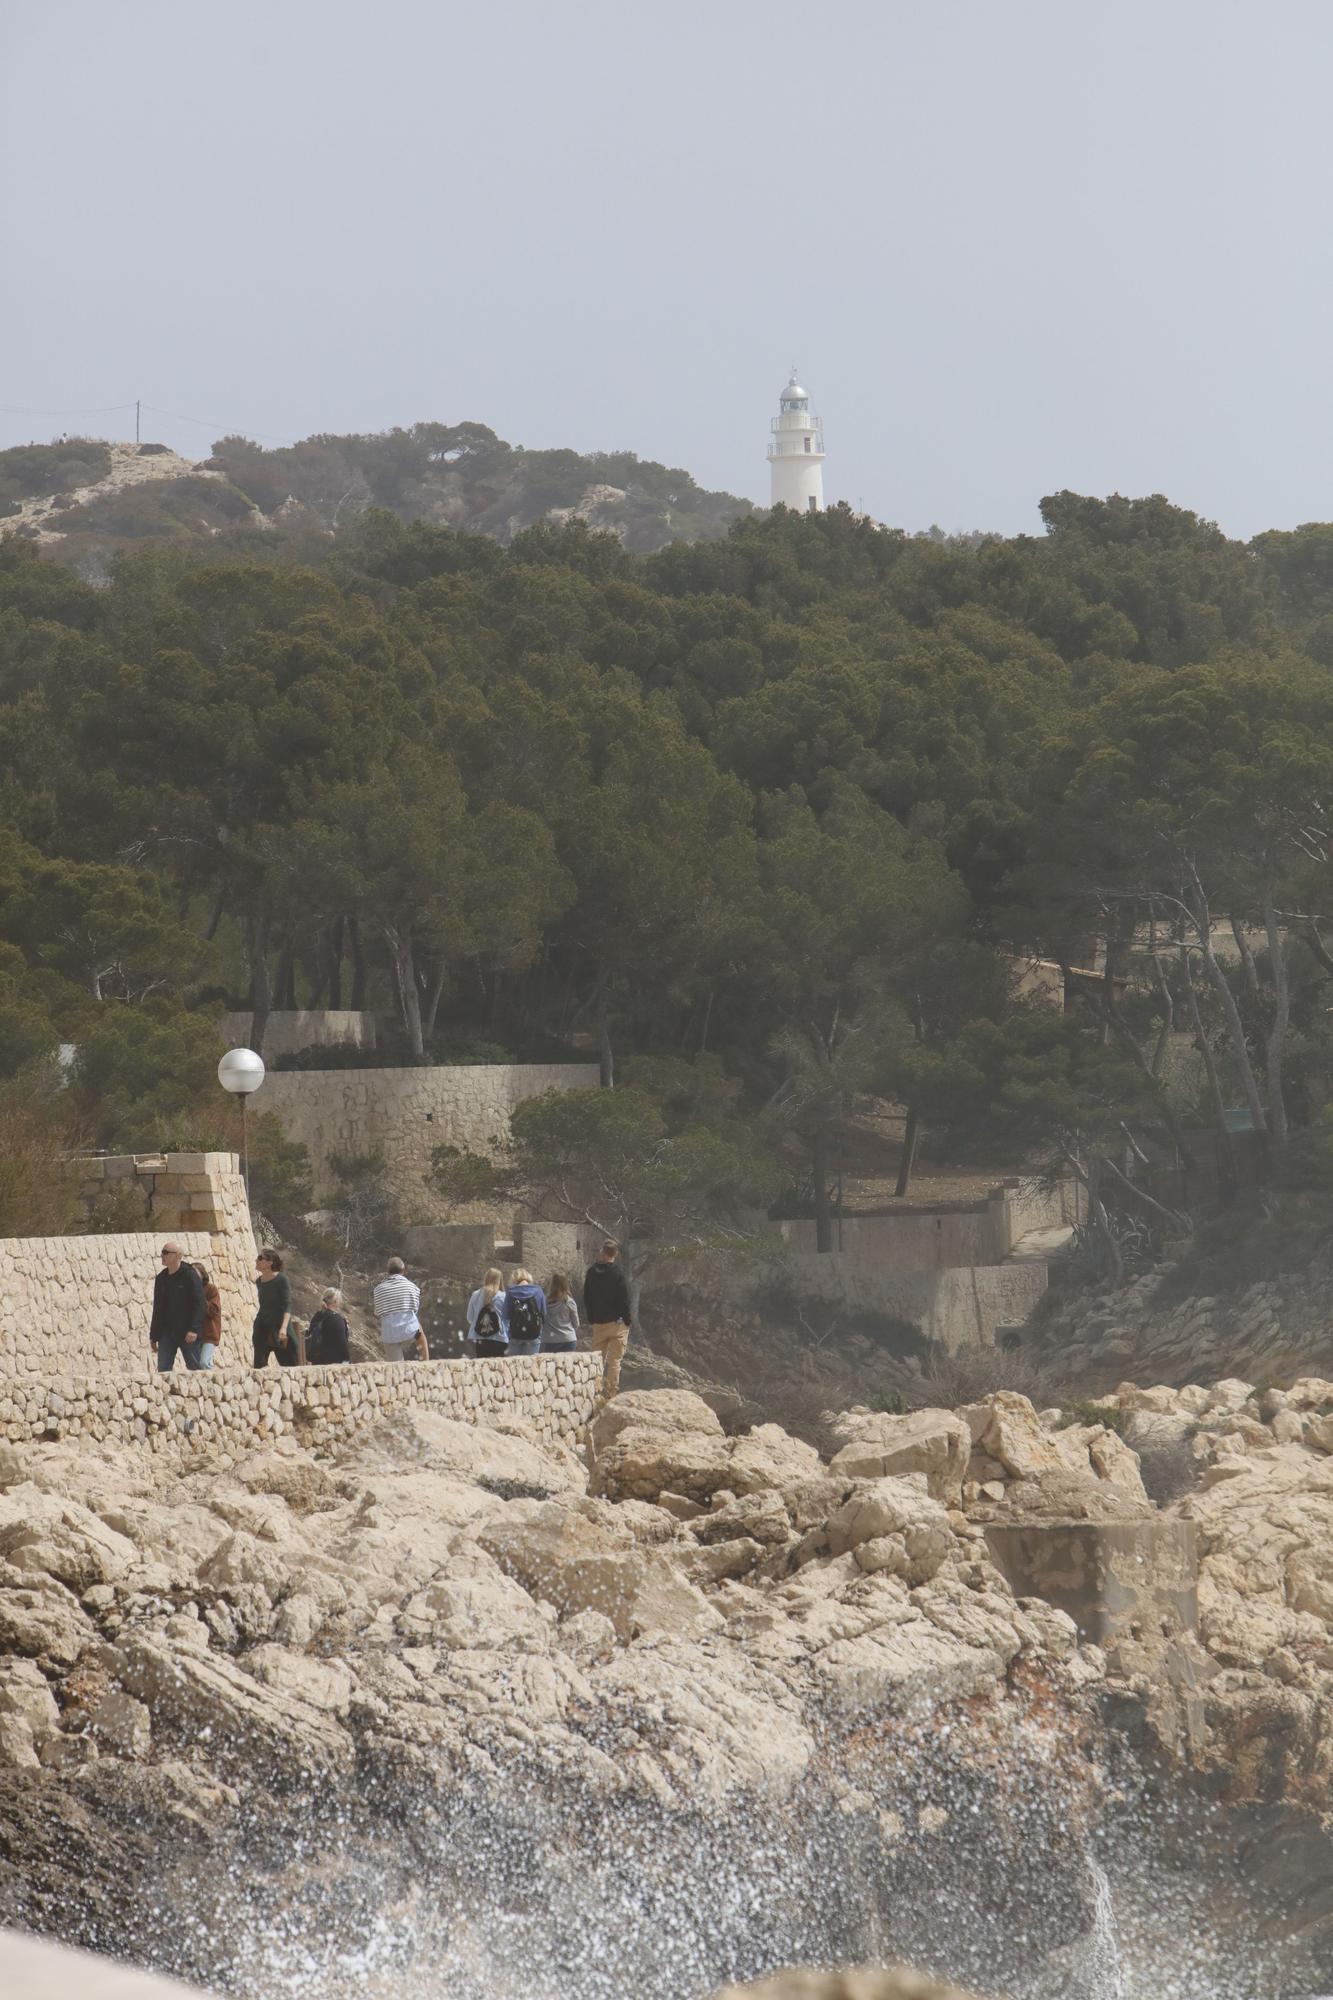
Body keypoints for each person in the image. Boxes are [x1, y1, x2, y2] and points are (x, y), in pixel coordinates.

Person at [583, 1239, 632, 1398]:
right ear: (615, 1254)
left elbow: (587, 1298)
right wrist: (627, 1319)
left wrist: (592, 1318)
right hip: (617, 1324)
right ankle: (610, 1393)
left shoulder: (591, 1272)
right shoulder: (618, 1273)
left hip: (599, 1322)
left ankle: (594, 1391)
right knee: (615, 1361)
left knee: (597, 1358)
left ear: (602, 1253)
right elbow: (623, 1299)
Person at [149, 1241, 205, 1372]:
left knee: (195, 1369)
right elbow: (158, 1308)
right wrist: (154, 1335)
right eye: (162, 1252)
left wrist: (194, 1329)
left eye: (166, 1252)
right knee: (163, 1370)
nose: (162, 1255)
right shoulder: (161, 1278)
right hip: (167, 1333)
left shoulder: (190, 1275)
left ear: (178, 1255)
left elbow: (199, 1303)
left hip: (187, 1332)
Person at [373, 1256, 429, 1361]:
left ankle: (398, 1370)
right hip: (410, 1331)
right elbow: (415, 1309)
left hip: (390, 1334)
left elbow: (377, 1312)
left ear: (387, 1271)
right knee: (420, 1334)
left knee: (395, 1361)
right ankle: (425, 1363)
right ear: (403, 1270)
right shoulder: (412, 1287)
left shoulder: (378, 1289)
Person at [252, 1249, 295, 1368]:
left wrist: (284, 1328)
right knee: (259, 1366)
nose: (257, 1260)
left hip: (278, 1326)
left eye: (260, 1258)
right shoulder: (259, 1282)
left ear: (270, 1263)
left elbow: (287, 1304)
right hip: (262, 1326)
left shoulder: (282, 1279)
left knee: (289, 1365)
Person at [501, 1266, 546, 1357]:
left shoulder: (510, 1292)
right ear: (529, 1278)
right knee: (531, 1366)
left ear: (514, 1278)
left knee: (514, 1367)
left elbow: (505, 1315)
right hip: (534, 1333)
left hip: (515, 1333)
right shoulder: (538, 1291)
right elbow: (544, 1313)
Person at [467, 1266, 507, 1357]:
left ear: (486, 1278)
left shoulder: (476, 1295)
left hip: (480, 1338)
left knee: (482, 1368)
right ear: (499, 1281)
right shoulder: (503, 1297)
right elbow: (508, 1319)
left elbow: (470, 1317)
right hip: (499, 1338)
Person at [306, 1287, 350, 1365]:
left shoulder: (317, 1315)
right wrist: (346, 1360)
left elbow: (310, 1333)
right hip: (333, 1362)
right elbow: (342, 1342)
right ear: (336, 1301)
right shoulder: (337, 1319)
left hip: (316, 1361)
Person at [540, 1271, 580, 1353]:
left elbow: (542, 1320)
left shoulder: (545, 1302)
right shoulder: (569, 1302)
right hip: (568, 1339)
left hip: (549, 1340)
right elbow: (576, 1324)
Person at [193, 1263, 221, 1370]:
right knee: (197, 1367)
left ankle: (215, 1384)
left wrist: (200, 1296)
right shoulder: (189, 1291)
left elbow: (213, 1311)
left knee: (204, 1363)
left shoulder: (211, 1289)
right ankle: (210, 1386)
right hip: (195, 1334)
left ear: (202, 1274)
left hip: (209, 1333)